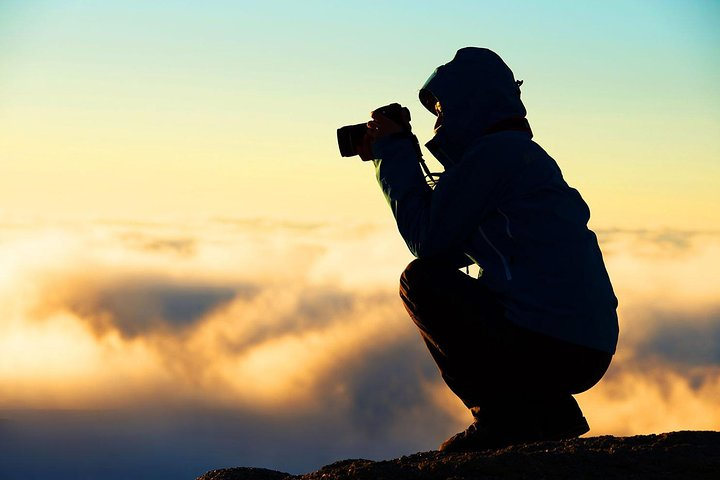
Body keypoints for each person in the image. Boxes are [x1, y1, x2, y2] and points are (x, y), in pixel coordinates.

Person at [365, 47, 619, 452]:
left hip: (553, 341)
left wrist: (394, 155)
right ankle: (549, 411)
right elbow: (461, 247)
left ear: (469, 104)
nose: (440, 121)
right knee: (440, 279)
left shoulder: (495, 156)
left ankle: (502, 418)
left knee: (421, 282)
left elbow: (428, 245)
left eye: (443, 108)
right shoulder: (516, 157)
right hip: (583, 345)